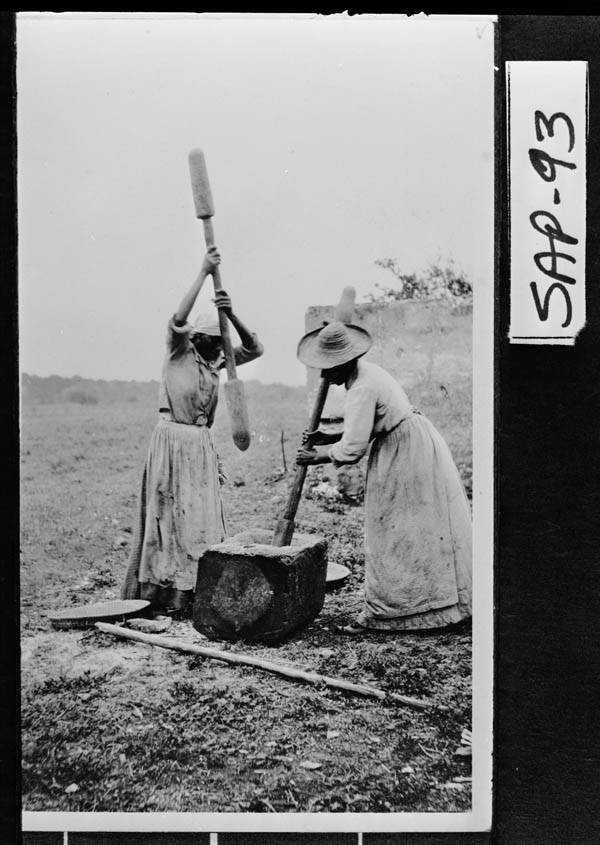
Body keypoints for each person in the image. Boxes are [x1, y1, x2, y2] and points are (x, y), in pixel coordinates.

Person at [296, 319, 471, 633]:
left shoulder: (361, 387)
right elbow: (362, 427)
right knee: (417, 527)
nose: (325, 375)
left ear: (344, 363)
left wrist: (316, 456)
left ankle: (399, 611)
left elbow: (352, 449)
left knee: (395, 530)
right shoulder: (367, 373)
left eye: (329, 367)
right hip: (412, 441)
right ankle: (432, 606)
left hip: (404, 452)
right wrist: (326, 436)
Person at [122, 246, 263, 615]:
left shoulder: (218, 359)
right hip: (172, 441)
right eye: (211, 340)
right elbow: (177, 318)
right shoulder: (178, 353)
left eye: (220, 341)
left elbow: (255, 347)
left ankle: (195, 589)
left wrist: (230, 314)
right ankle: (165, 595)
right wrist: (203, 272)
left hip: (200, 446)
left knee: (198, 516)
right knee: (168, 517)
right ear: (196, 337)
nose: (218, 346)